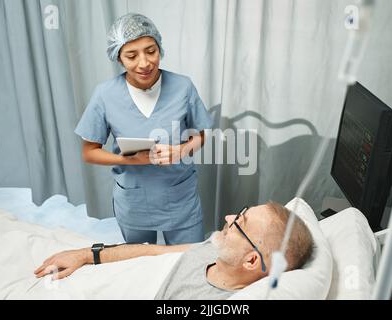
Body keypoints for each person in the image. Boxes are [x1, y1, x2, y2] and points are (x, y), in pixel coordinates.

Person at [74, 13, 213, 245]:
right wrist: (131, 161)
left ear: (160, 48)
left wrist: (181, 151)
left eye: (151, 51)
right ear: (118, 58)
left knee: (188, 263)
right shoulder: (105, 95)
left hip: (179, 199)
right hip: (134, 201)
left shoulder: (183, 87)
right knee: (140, 268)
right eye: (131, 55)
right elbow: (89, 152)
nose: (144, 63)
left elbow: (201, 134)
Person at [34, 202, 314, 300]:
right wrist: (87, 254)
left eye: (240, 223)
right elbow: (154, 252)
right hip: (87, 271)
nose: (229, 218)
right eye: (240, 213)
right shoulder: (216, 247)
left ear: (252, 260)